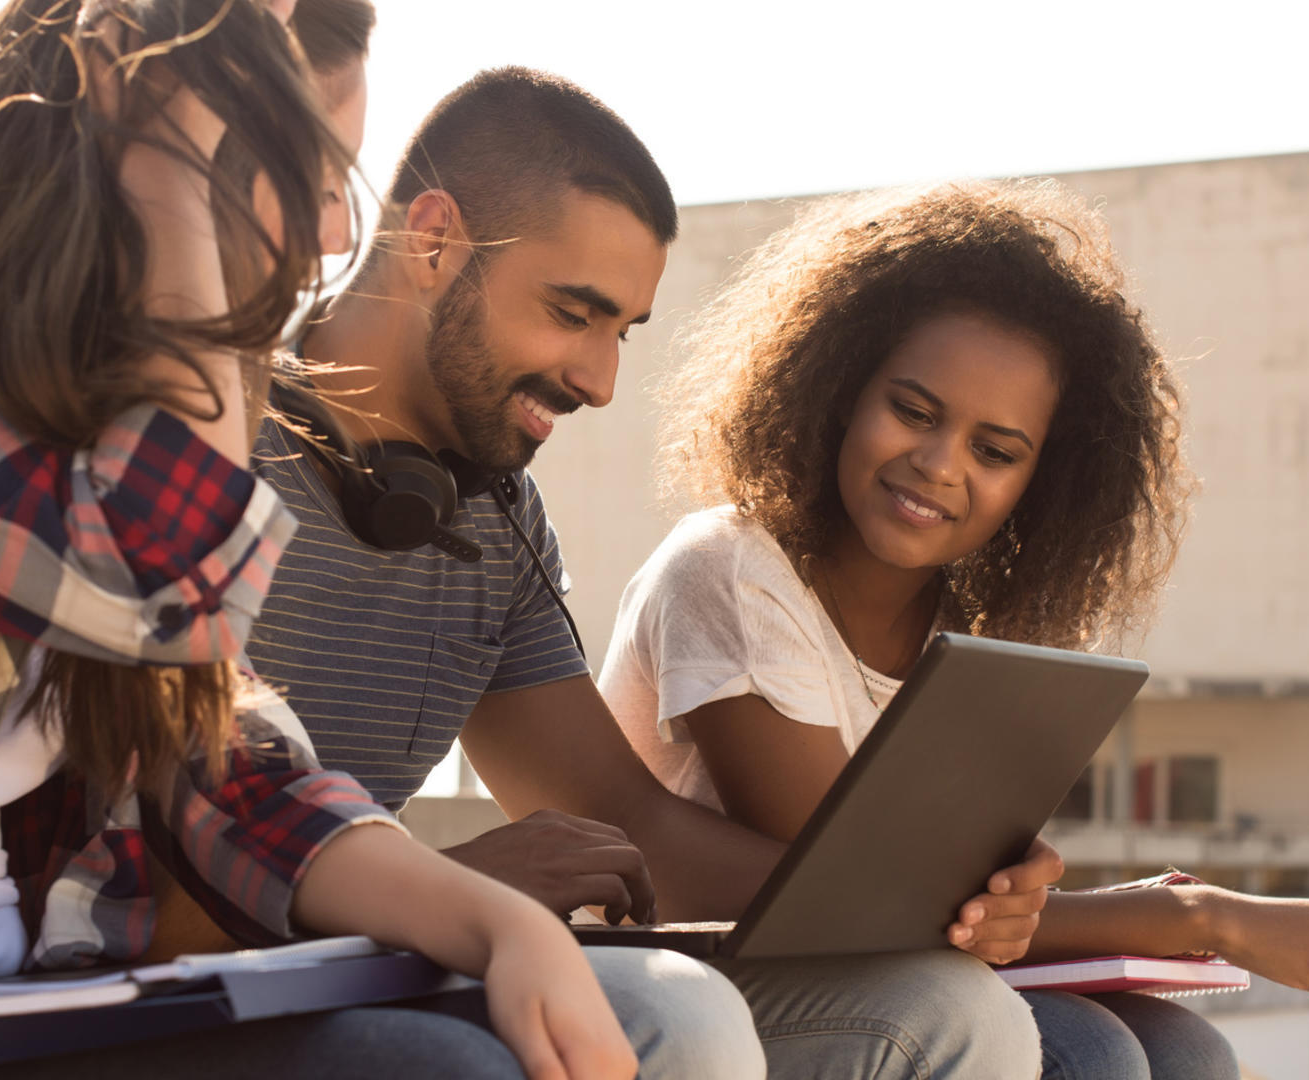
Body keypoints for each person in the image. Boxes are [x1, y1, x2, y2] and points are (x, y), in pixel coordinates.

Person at [0, 3, 640, 1078]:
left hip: (19, 1015)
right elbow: (164, 580)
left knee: (656, 1010)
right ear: (154, 148)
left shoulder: (104, 418)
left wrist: (496, 923)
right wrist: (173, 203)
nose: (338, 231)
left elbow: (225, 763)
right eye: (314, 169)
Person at [242, 67, 1044, 1078]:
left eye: (620, 332)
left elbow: (627, 819)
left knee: (949, 1016)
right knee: (673, 1027)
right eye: (573, 311)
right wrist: (451, 886)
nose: (600, 380)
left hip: (391, 956)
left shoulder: (495, 513)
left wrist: (951, 902)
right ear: (435, 240)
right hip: (218, 978)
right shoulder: (207, 448)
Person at [599, 181, 1309, 1079]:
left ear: (1041, 483)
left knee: (1182, 1050)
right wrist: (1196, 915)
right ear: (840, 388)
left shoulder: (968, 643)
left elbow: (952, 913)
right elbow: (864, 898)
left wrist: (1022, 902)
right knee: (1077, 1048)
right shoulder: (730, 567)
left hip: (875, 981)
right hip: (688, 994)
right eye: (914, 411)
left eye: (996, 451)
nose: (938, 466)